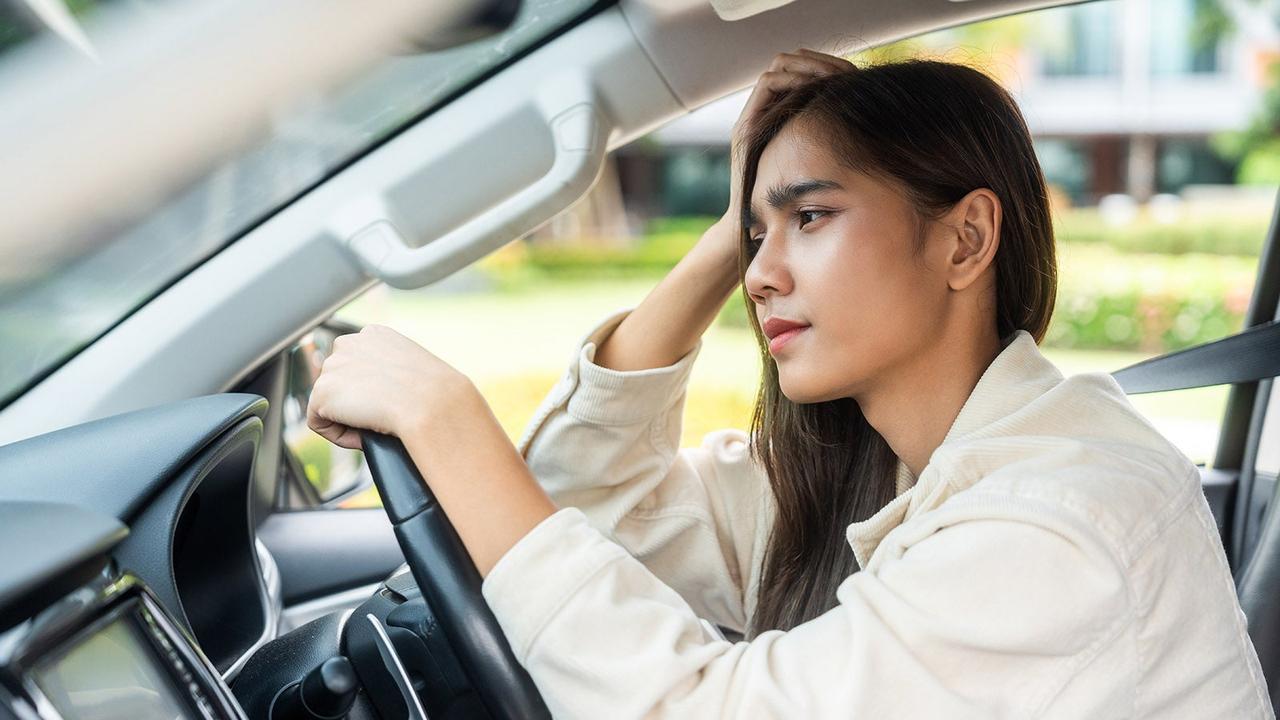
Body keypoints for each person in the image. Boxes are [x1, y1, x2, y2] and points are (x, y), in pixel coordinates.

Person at [305, 49, 1273, 718]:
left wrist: (444, 418)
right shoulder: (886, 469)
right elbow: (580, 505)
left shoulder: (1058, 525)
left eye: (810, 219)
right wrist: (744, 219)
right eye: (755, 236)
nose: (758, 275)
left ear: (964, 238)